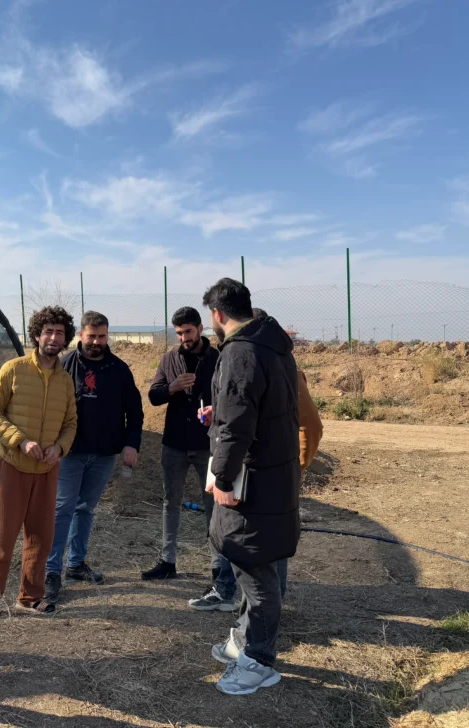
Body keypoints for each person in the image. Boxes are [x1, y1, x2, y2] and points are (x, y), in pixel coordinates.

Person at [198, 279, 301, 696]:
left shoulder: (240, 352)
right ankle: (243, 641)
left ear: (218, 315)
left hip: (252, 481)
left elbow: (237, 423)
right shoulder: (273, 348)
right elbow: (253, 411)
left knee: (255, 568)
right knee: (265, 561)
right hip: (275, 476)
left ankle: (259, 660)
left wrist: (222, 477)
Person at [187, 308, 322, 611]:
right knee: (233, 532)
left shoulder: (276, 366)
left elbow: (310, 426)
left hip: (264, 477)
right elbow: (246, 415)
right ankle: (229, 592)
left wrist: (293, 467)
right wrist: (216, 414)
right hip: (242, 471)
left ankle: (265, 615)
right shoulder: (247, 360)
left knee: (266, 547)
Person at [0, 306, 78, 621]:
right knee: (1, 537)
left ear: (65, 339)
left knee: (41, 537)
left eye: (59, 333)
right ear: (36, 335)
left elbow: (71, 423)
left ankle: (31, 597)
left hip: (47, 470)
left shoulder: (65, 380)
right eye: (48, 331)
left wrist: (59, 448)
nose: (54, 337)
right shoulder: (13, 369)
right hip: (12, 467)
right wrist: (21, 440)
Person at [45, 311, 143, 603]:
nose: (97, 342)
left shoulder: (119, 370)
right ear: (80, 336)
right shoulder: (63, 367)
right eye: (92, 336)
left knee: (86, 509)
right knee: (62, 508)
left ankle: (75, 564)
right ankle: (51, 571)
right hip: (69, 453)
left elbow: (135, 412)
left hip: (104, 454)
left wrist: (131, 444)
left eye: (102, 336)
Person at [141, 307, 231, 598]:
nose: (184, 338)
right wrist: (172, 388)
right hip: (175, 444)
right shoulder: (169, 359)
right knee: (171, 502)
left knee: (213, 506)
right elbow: (154, 396)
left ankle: (219, 569)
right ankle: (168, 561)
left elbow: (231, 397)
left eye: (188, 332)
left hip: (208, 444)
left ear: (200, 328)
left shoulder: (218, 358)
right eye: (179, 333)